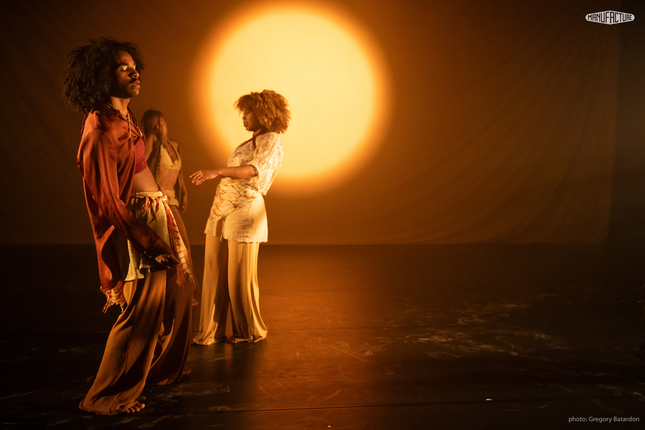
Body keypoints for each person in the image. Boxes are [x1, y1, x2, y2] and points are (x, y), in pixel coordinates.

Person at [62, 37, 193, 415]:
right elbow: (106, 198)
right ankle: (104, 396)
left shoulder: (124, 117)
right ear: (102, 76)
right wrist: (146, 239)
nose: (134, 73)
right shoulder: (100, 128)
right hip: (139, 220)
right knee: (143, 310)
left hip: (159, 211)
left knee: (178, 296)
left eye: (134, 66)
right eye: (123, 68)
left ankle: (159, 370)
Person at [191, 90, 289, 345]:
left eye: (248, 112)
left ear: (264, 114)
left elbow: (254, 171)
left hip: (245, 208)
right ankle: (210, 331)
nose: (243, 117)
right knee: (214, 268)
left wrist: (216, 171)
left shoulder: (271, 140)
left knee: (239, 273)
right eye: (243, 112)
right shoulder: (248, 143)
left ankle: (248, 330)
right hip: (222, 207)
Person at [142, 110, 197, 304]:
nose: (158, 129)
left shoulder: (174, 144)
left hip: (173, 198)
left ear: (166, 123)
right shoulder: (151, 140)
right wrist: (154, 189)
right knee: (179, 245)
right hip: (160, 200)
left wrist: (184, 191)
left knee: (178, 245)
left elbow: (178, 172)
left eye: (160, 124)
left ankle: (180, 291)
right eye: (153, 126)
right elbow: (141, 165)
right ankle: (180, 293)